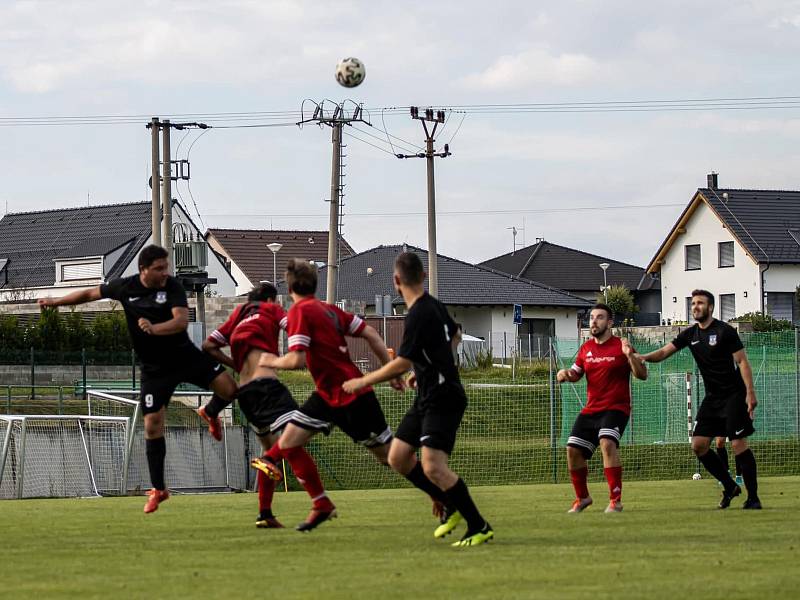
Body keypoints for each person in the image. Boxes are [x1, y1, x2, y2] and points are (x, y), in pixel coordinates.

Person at [38, 245, 238, 513]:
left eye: (166, 267)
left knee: (230, 388)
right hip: (155, 369)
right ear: (144, 269)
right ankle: (159, 489)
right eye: (159, 268)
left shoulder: (173, 287)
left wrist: (154, 329)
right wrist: (55, 302)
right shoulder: (125, 287)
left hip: (184, 357)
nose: (165, 272)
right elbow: (89, 293)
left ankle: (210, 411)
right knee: (153, 424)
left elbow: (180, 322)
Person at [342, 251, 494, 547]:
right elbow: (456, 335)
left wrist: (363, 380)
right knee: (397, 457)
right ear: (423, 276)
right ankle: (445, 500)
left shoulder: (419, 314)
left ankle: (478, 525)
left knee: (433, 466)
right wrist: (426, 367)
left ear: (396, 281)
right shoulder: (434, 306)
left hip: (443, 397)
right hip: (428, 393)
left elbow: (400, 363)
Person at [250, 258, 402, 531]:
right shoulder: (329, 309)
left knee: (391, 458)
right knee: (290, 439)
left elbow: (296, 360)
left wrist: (269, 362)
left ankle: (440, 485)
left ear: (289, 288)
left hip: (352, 393)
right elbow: (371, 333)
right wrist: (390, 370)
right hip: (327, 394)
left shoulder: (300, 311)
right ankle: (318, 502)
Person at [201, 282, 330, 529]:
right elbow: (294, 327)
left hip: (246, 394)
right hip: (268, 388)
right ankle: (320, 501)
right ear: (271, 300)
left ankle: (265, 513)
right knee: (299, 436)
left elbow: (208, 346)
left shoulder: (238, 313)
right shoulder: (271, 310)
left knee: (273, 452)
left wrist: (235, 364)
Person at [638, 290, 761, 509]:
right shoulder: (690, 334)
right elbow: (664, 352)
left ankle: (753, 498)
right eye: (693, 303)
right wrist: (643, 357)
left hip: (734, 395)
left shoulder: (724, 331)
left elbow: (742, 361)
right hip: (713, 398)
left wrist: (750, 393)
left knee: (738, 444)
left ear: (710, 307)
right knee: (699, 445)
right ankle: (730, 486)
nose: (695, 307)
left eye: (700, 303)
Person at [556, 304, 648, 514]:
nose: (594, 321)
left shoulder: (621, 346)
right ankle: (583, 498)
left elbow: (642, 375)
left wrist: (630, 356)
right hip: (591, 410)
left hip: (616, 408)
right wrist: (565, 374)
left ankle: (615, 500)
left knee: (607, 443)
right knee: (572, 450)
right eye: (591, 318)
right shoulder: (586, 349)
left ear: (610, 323)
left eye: (599, 317)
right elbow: (576, 373)